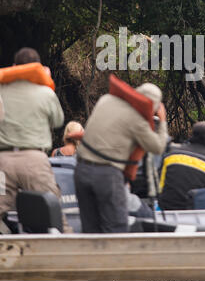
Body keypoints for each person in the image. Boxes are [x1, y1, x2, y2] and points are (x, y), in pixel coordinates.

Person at [74, 82, 168, 233]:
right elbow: (158, 147)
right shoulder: (138, 121)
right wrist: (162, 121)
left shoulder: (106, 99)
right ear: (154, 106)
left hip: (81, 171)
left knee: (90, 231)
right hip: (107, 176)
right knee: (117, 230)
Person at [0, 47, 72, 232]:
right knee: (53, 211)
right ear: (39, 68)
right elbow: (58, 121)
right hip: (34, 161)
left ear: (15, 66)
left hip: (3, 163)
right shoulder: (45, 93)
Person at [158, 121, 205, 211]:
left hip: (165, 209)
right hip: (195, 212)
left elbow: (160, 181)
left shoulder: (171, 153)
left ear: (192, 136)